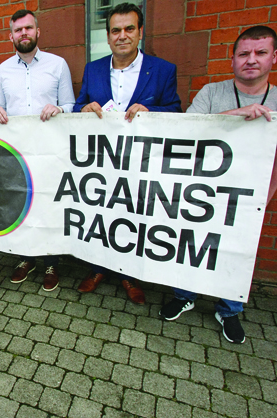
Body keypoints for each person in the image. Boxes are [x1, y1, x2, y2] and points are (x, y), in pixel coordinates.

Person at [159, 25, 277, 344]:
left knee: (236, 253)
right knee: (190, 245)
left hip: (246, 197)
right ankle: (185, 294)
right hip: (201, 194)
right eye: (244, 53)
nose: (251, 60)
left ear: (273, 58)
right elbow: (190, 132)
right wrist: (239, 114)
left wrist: (265, 197)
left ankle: (229, 309)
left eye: (260, 52)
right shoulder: (212, 93)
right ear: (233, 59)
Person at [73, 2, 182, 305]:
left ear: (140, 32)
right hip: (101, 162)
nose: (122, 36)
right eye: (115, 30)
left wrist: (151, 110)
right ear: (108, 37)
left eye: (129, 29)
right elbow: (77, 106)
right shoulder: (93, 69)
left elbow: (176, 111)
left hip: (141, 164)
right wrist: (84, 108)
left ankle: (129, 275)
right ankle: (97, 268)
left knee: (132, 216)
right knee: (100, 214)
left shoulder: (162, 70)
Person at [0, 9, 75, 291]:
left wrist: (60, 108)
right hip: (17, 153)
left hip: (49, 151)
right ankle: (27, 257)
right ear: (11, 36)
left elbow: (72, 106)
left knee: (49, 203)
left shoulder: (58, 64)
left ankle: (52, 261)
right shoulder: (3, 70)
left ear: (37, 32)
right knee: (23, 203)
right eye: (18, 30)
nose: (23, 33)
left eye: (28, 28)